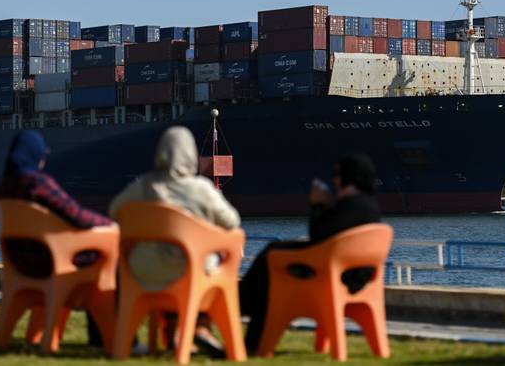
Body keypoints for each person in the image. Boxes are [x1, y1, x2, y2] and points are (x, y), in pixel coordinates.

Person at [109, 126, 240, 357]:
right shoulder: (202, 189)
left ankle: (167, 333)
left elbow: (115, 210)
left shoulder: (144, 186)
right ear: (191, 155)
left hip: (144, 271)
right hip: (192, 271)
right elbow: (232, 221)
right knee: (214, 262)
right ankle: (200, 326)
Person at [240, 153, 382, 353]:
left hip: (332, 278)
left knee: (271, 261)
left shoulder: (350, 207)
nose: (334, 179)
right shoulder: (370, 208)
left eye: (337, 174)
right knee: (272, 271)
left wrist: (317, 205)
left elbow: (318, 237)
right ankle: (248, 329)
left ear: (350, 177)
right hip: (358, 278)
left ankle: (240, 307)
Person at [0, 130, 115, 347]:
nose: (43, 160)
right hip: (52, 264)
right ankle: (106, 338)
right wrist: (111, 225)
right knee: (104, 263)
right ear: (34, 155)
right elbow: (76, 215)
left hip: (21, 265)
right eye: (41, 154)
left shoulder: (4, 188)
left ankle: (35, 334)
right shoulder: (37, 183)